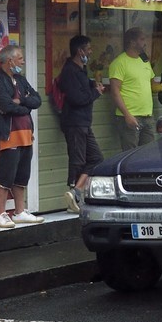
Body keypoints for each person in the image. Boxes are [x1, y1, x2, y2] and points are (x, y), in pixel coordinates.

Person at [0, 44, 44, 228]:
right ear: (9, 61)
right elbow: (7, 106)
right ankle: (1, 214)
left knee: (22, 174)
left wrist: (23, 101)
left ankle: (19, 212)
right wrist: (26, 106)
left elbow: (37, 100)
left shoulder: (21, 79)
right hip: (9, 134)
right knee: (5, 174)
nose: (23, 61)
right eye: (20, 58)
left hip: (26, 134)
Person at [57, 34, 104, 213]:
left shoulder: (80, 70)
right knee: (77, 159)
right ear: (80, 51)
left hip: (84, 122)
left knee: (96, 158)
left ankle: (77, 190)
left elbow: (83, 86)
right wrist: (96, 93)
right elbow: (77, 98)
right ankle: (72, 194)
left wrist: (92, 84)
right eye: (89, 49)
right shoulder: (69, 71)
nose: (90, 52)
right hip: (74, 122)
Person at [107, 26, 162, 150]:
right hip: (130, 116)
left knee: (147, 154)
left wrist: (161, 87)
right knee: (130, 155)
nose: (145, 42)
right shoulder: (119, 63)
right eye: (142, 39)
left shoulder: (144, 61)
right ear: (132, 42)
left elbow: (151, 85)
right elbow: (115, 91)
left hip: (147, 115)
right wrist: (127, 115)